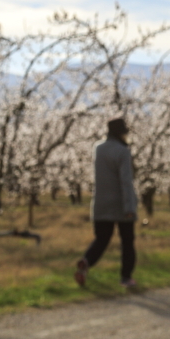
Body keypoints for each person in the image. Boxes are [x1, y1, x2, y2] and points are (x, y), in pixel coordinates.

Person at [75, 117, 138, 288]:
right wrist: (129, 207)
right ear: (122, 132)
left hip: (101, 203)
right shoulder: (123, 151)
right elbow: (125, 180)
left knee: (101, 239)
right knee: (127, 242)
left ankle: (86, 262)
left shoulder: (98, 148)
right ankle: (126, 278)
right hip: (121, 204)